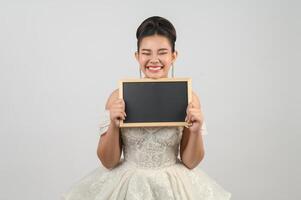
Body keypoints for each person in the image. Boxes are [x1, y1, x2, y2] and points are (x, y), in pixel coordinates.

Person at [61, 16, 231, 200]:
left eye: (162, 52)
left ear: (174, 56)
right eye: (146, 52)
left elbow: (191, 162)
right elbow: (108, 162)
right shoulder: (118, 98)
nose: (154, 60)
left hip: (172, 185)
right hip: (128, 184)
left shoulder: (189, 98)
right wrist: (113, 124)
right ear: (137, 56)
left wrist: (196, 131)